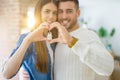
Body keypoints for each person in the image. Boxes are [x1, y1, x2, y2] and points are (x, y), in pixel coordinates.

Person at [48, 0, 114, 80]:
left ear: (78, 13)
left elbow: (108, 68)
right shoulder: (56, 39)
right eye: (60, 12)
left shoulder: (89, 35)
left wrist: (71, 41)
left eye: (69, 11)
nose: (64, 16)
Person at [2, 0, 58, 80]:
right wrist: (28, 40)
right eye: (47, 11)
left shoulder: (56, 38)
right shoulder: (28, 38)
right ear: (39, 13)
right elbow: (6, 74)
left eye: (54, 13)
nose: (51, 16)